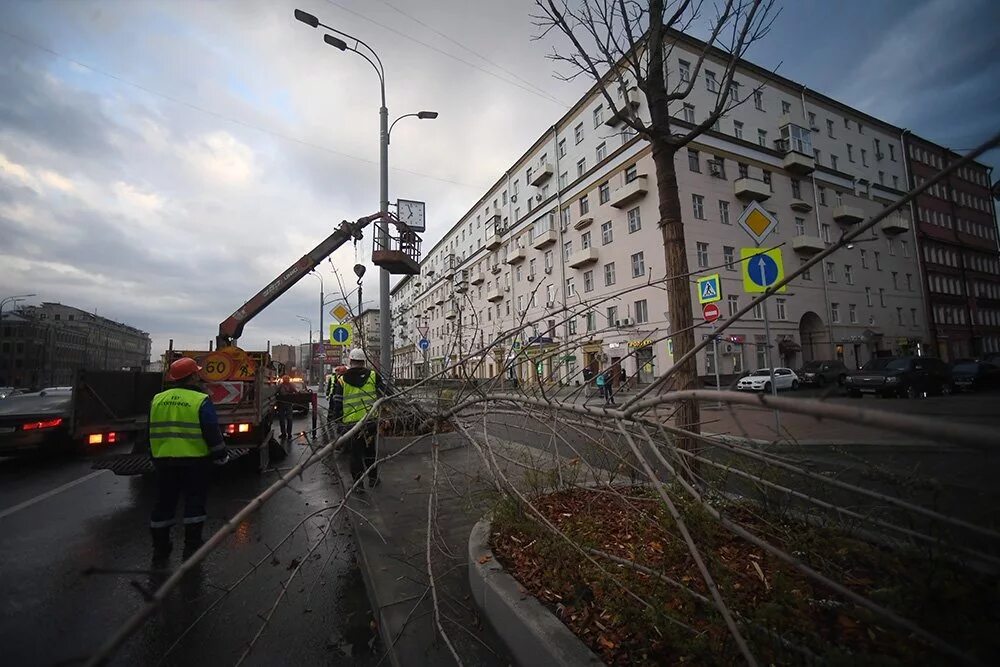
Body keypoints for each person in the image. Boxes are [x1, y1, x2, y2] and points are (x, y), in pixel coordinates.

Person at [149, 357, 228, 561]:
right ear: (193, 376)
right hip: (194, 461)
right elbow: (211, 430)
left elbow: (150, 431)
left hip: (163, 461)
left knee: (163, 503)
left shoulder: (157, 399)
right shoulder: (199, 400)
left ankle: (160, 547)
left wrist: (152, 456)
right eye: (197, 373)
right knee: (194, 501)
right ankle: (192, 545)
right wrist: (220, 454)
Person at [331, 349, 388, 491]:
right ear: (364, 361)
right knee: (370, 451)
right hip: (370, 422)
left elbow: (337, 403)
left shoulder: (342, 380)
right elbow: (385, 394)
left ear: (350, 361)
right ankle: (373, 479)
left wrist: (337, 421)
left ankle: (358, 484)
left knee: (355, 454)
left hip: (351, 424)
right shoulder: (374, 376)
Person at [276, 375, 296, 439]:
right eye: (285, 379)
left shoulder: (291, 385)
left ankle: (289, 433)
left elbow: (295, 392)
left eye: (287, 379)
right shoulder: (280, 385)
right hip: (282, 405)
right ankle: (284, 433)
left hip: (288, 405)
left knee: (289, 419)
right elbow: (276, 392)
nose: (286, 380)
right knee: (282, 420)